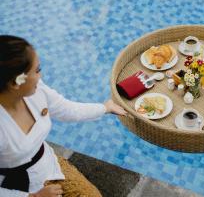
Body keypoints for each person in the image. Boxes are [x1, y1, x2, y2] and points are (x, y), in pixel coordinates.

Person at [0, 35, 127, 197]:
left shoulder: (37, 90)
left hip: (48, 165)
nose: (40, 76)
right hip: (17, 187)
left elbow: (67, 109)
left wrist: (105, 108)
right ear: (15, 82)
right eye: (37, 70)